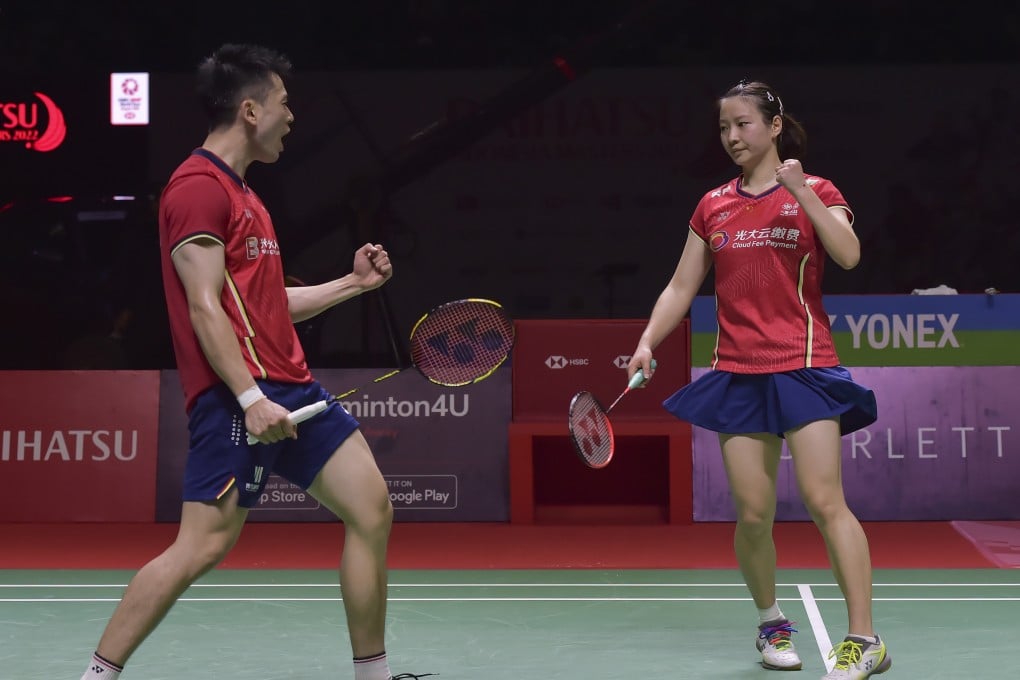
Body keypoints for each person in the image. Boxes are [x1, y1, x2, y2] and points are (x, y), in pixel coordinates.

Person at [79, 44, 430, 680]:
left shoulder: (247, 198)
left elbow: (266, 308)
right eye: (283, 104)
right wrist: (248, 398)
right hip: (238, 396)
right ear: (249, 110)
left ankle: (372, 675)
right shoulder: (195, 190)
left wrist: (353, 285)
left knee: (371, 507)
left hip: (292, 389)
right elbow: (204, 308)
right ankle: (96, 676)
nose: (291, 117)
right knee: (202, 547)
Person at [627, 80, 892, 679]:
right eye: (724, 128)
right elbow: (680, 285)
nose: (732, 137)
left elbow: (848, 254)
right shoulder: (712, 204)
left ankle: (864, 638)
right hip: (737, 371)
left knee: (827, 502)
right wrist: (648, 341)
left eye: (743, 124)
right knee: (752, 515)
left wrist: (802, 191)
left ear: (774, 127)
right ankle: (771, 624)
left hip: (803, 364)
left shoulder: (817, 189)